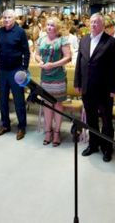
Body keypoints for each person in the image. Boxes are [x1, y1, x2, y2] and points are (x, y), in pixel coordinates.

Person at [75, 13, 115, 162]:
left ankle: (107, 148)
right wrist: (77, 83)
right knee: (91, 119)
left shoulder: (111, 42)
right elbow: (79, 62)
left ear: (103, 25)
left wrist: (114, 89)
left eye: (97, 22)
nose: (94, 24)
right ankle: (93, 144)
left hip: (104, 89)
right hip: (87, 87)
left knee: (106, 120)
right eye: (92, 22)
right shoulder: (84, 40)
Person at [34, 17, 71, 147]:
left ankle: (56, 133)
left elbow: (68, 57)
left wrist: (53, 64)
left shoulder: (62, 40)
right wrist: (40, 61)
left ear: (57, 27)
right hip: (45, 77)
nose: (49, 27)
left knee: (57, 104)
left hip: (58, 77)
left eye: (52, 25)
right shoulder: (41, 39)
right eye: (48, 25)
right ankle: (48, 132)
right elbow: (36, 54)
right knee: (47, 104)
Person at [0, 9, 30, 140]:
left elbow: (26, 52)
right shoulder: (0, 31)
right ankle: (5, 125)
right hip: (3, 71)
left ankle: (22, 127)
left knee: (18, 100)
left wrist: (24, 69)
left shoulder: (20, 32)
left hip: (16, 70)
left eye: (9, 17)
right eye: (5, 17)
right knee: (3, 99)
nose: (7, 20)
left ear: (14, 19)